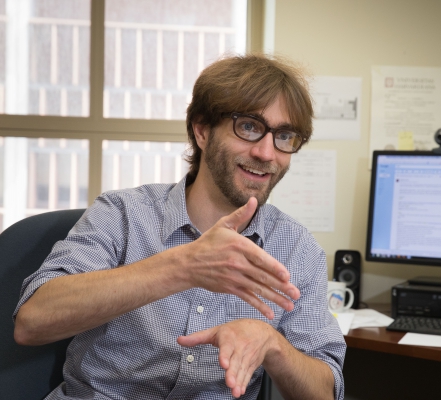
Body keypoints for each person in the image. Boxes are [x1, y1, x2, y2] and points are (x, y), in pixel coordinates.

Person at [14, 53, 346, 400]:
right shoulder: (122, 213)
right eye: (248, 127)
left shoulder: (297, 249)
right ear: (202, 131)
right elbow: (32, 321)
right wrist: (182, 267)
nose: (266, 152)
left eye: (285, 135)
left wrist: (273, 345)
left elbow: (325, 392)